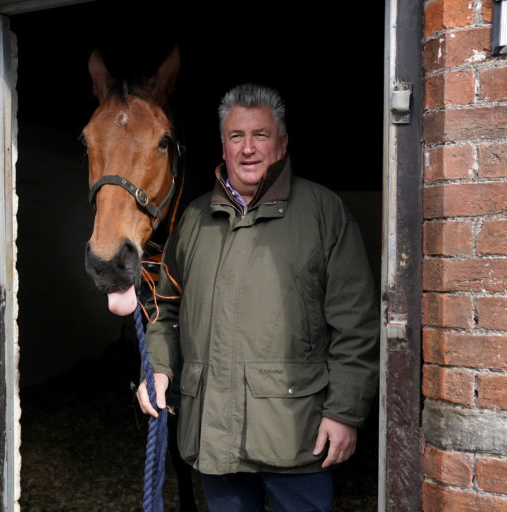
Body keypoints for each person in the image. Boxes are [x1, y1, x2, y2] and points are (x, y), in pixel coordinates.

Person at [137, 84, 379, 511]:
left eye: (260, 135)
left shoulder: (324, 212)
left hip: (297, 435)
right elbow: (165, 307)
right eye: (236, 137)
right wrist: (158, 368)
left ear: (282, 143)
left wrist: (344, 412)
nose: (248, 149)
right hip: (214, 435)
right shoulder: (194, 220)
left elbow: (355, 323)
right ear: (224, 146)